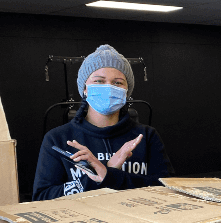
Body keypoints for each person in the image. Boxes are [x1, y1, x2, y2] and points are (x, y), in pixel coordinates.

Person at [33, 44, 173, 200]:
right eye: (99, 81)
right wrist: (99, 175)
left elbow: (168, 189)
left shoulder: (146, 136)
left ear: (127, 91)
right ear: (85, 89)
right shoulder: (58, 139)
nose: (108, 87)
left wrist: (110, 175)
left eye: (118, 82)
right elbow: (42, 198)